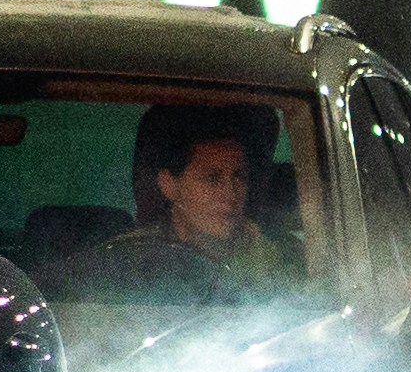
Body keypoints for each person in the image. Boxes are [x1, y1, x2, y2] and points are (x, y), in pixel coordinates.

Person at [73, 99, 292, 303]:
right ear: (169, 185)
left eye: (239, 177)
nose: (230, 193)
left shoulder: (280, 260)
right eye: (211, 179)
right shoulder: (125, 262)